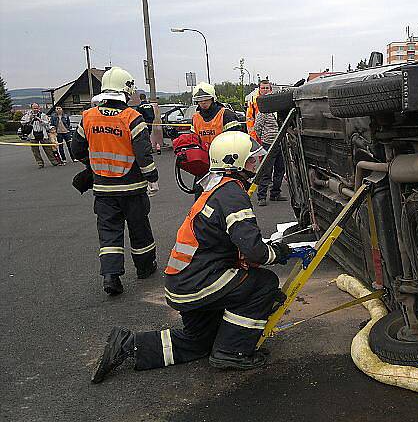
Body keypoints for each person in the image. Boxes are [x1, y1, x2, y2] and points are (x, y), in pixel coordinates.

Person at [91, 131, 292, 384]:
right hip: (198, 283)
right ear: (235, 162)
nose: (256, 163)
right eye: (251, 159)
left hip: (183, 284)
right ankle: (232, 352)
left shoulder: (215, 186)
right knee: (263, 284)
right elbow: (254, 251)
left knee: (199, 343)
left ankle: (128, 345)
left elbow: (233, 242)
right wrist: (279, 253)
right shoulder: (232, 194)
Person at [71, 67, 159, 295]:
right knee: (139, 230)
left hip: (103, 190)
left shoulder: (88, 117)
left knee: (109, 234)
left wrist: (93, 165)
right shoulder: (132, 117)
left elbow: (76, 149)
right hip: (132, 188)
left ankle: (111, 277)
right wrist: (152, 177)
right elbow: (143, 153)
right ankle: (144, 268)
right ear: (126, 89)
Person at [191, 82, 243, 146]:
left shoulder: (226, 115)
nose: (203, 102)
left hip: (223, 152)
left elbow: (235, 139)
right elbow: (194, 140)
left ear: (213, 98)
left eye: (206, 99)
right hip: (202, 154)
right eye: (200, 100)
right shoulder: (195, 118)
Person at [254, 110, 286, 206]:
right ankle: (261, 197)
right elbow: (257, 127)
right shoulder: (265, 111)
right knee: (266, 171)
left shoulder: (282, 111)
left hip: (281, 143)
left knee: (280, 169)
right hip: (269, 144)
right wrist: (264, 139)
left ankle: (275, 194)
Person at [20, 103, 59, 168]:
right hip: (33, 135)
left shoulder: (43, 115)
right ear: (31, 108)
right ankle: (40, 163)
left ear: (39, 108)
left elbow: (47, 123)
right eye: (34, 108)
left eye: (37, 108)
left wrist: (40, 120)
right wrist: (30, 118)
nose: (35, 109)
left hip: (43, 134)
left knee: (48, 149)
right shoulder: (27, 115)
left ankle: (54, 161)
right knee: (35, 151)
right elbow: (22, 122)